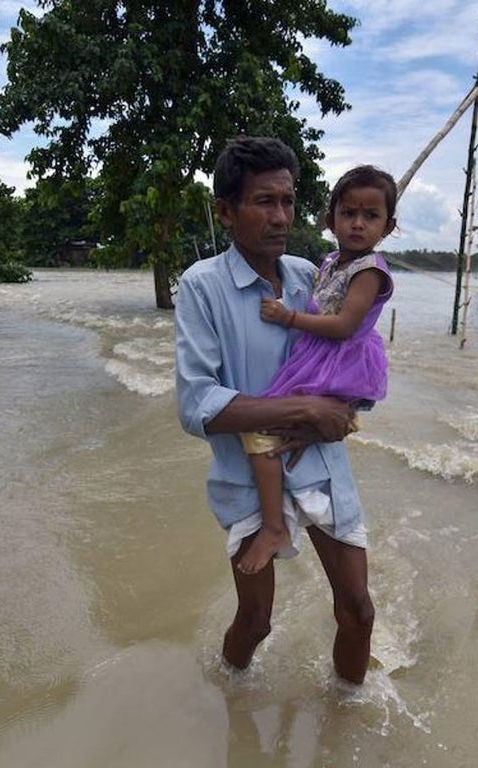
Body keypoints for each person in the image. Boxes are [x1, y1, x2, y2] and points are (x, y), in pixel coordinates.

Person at [174, 136, 374, 685]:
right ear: (226, 211)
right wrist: (307, 408)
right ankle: (228, 696)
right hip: (246, 475)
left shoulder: (311, 275)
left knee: (358, 611)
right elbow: (197, 404)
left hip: (319, 466)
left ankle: (347, 713)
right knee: (257, 620)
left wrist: (338, 410)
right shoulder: (201, 287)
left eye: (288, 201)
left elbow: (349, 352)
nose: (281, 216)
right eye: (264, 201)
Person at [235, 165, 396, 575]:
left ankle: (274, 527)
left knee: (260, 428)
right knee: (278, 424)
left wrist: (288, 318)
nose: (358, 224)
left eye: (371, 216)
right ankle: (279, 515)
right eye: (349, 214)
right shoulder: (328, 261)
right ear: (331, 220)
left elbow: (343, 327)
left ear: (388, 226)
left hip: (337, 360)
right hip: (318, 355)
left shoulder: (370, 271)